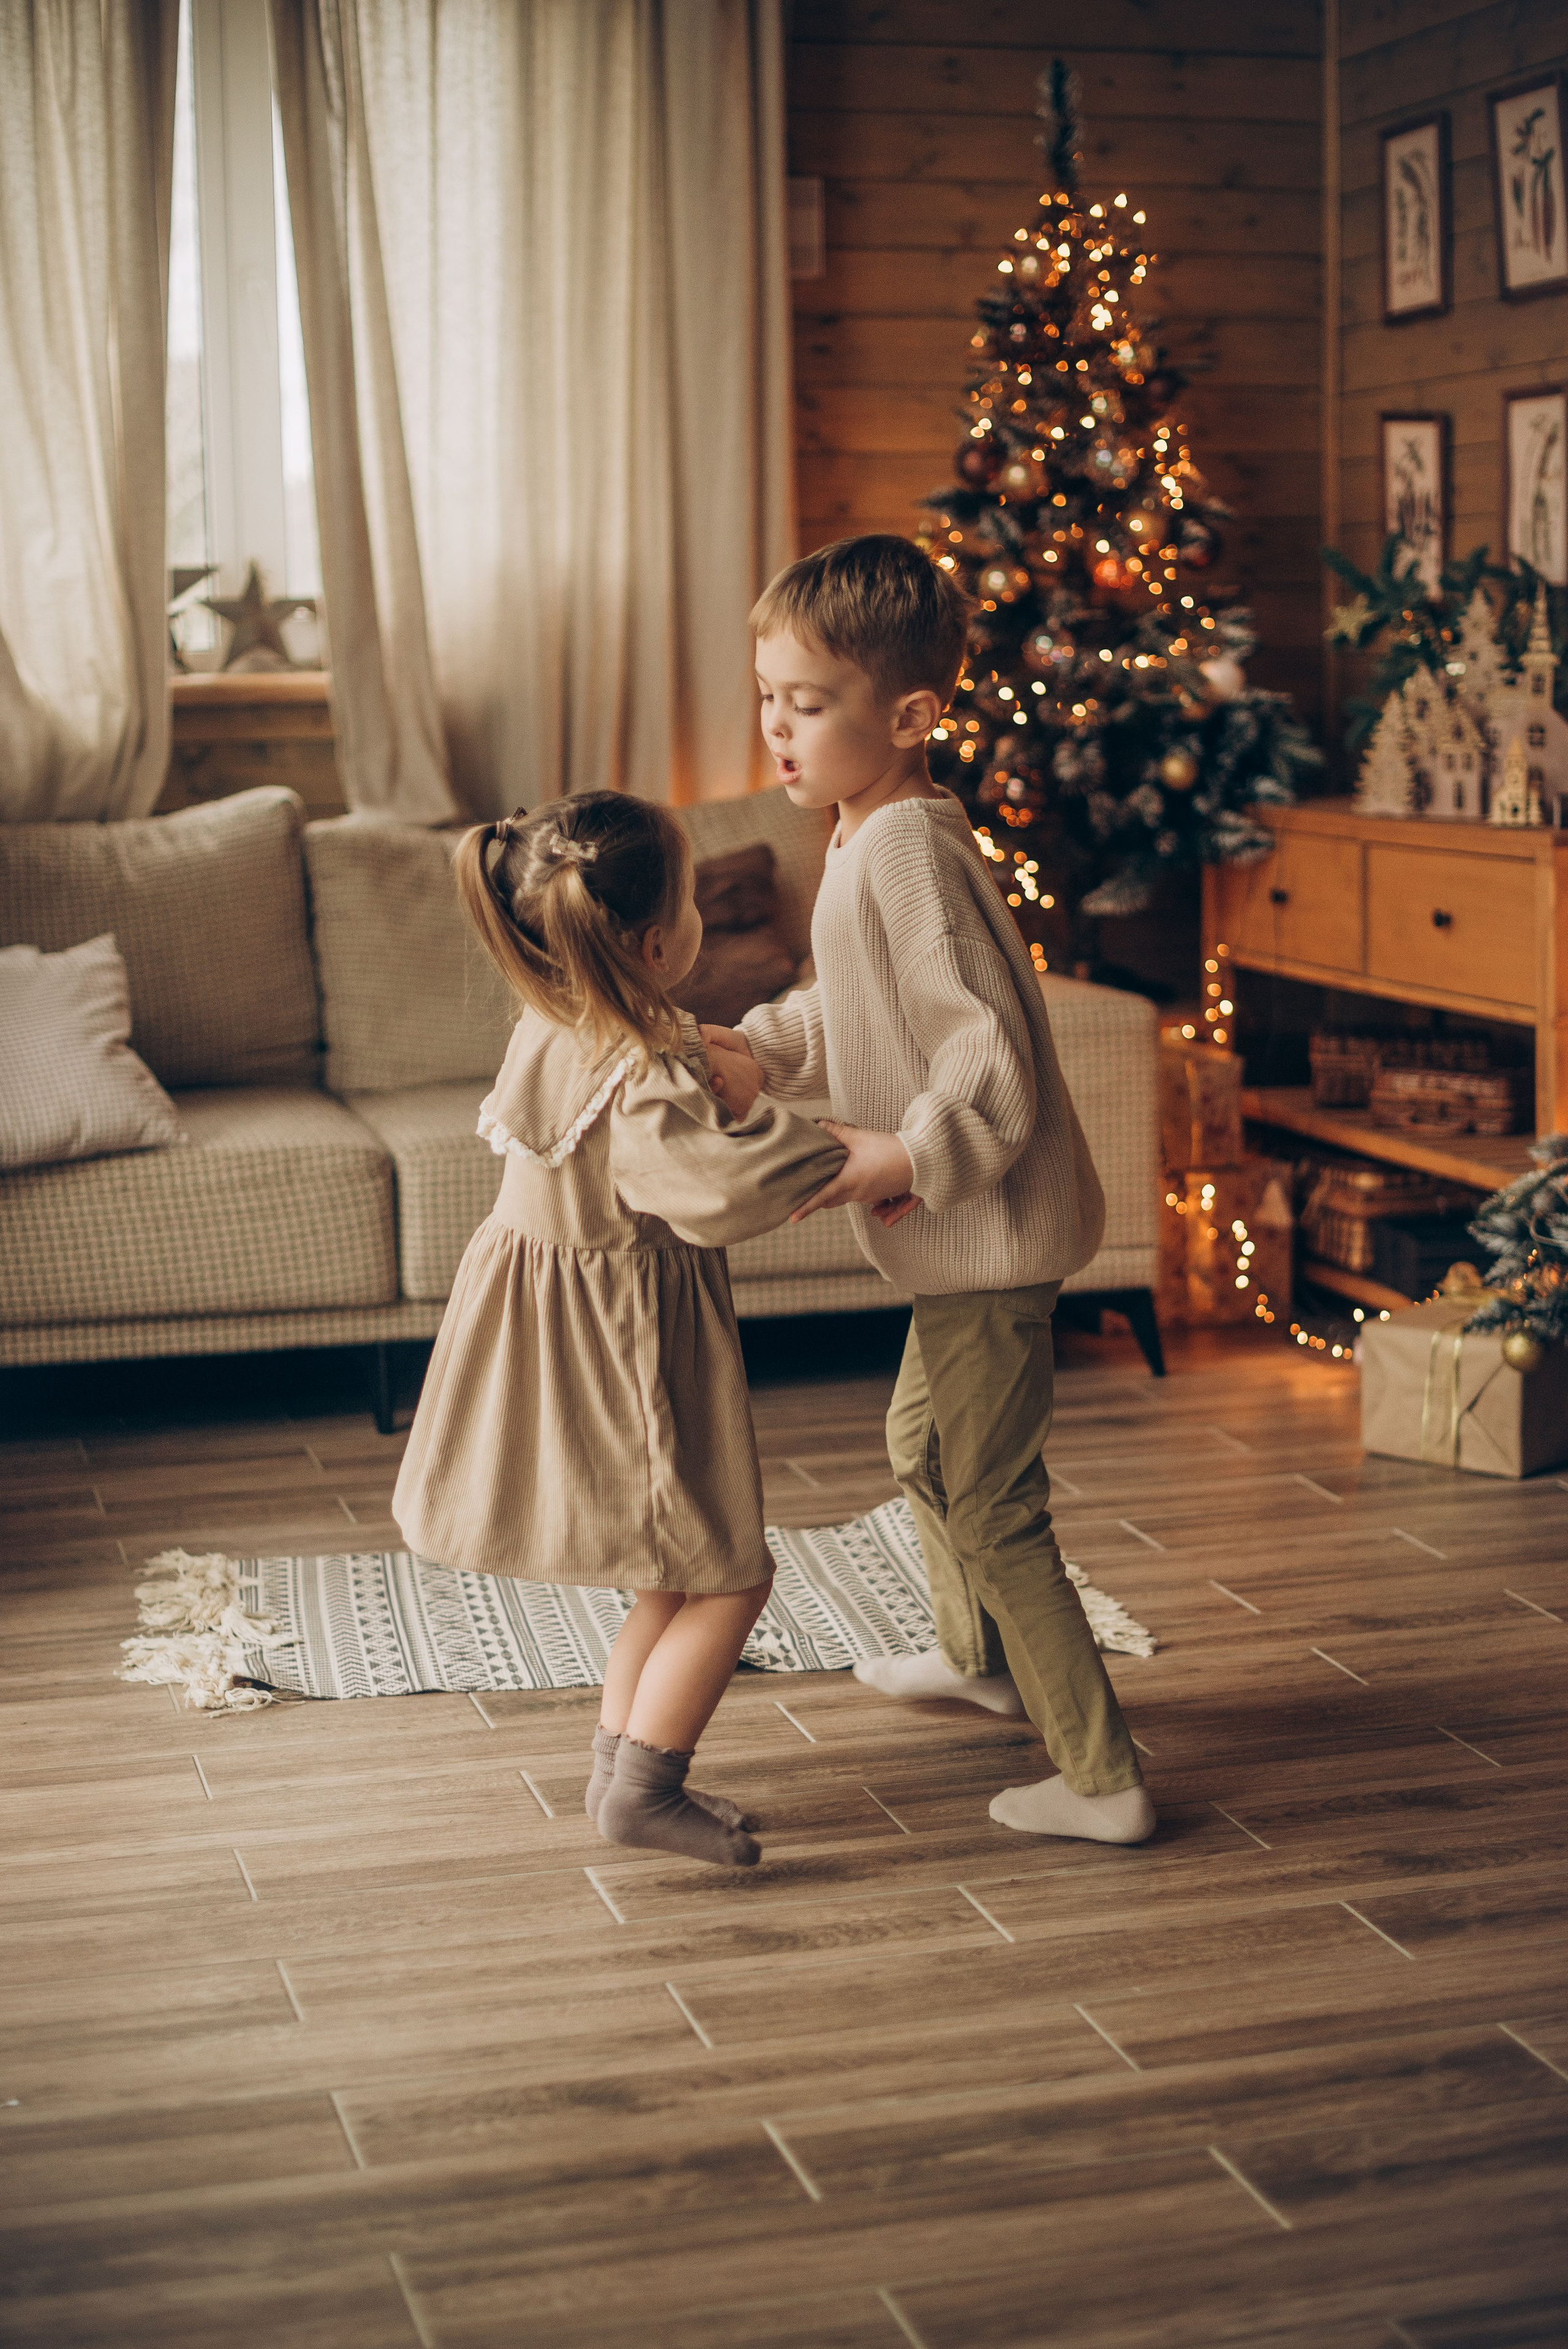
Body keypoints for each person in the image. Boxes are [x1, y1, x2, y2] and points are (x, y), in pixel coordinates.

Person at [703, 534, 1156, 1847]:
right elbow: (846, 1015)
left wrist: (896, 1155)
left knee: (993, 1500)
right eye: (767, 700)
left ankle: (1101, 1775)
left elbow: (986, 1059)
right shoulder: (857, 839)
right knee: (923, 1453)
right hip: (957, 1241)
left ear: (906, 716)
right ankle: (983, 1666)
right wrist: (753, 1050)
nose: (776, 731)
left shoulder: (905, 850)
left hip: (990, 1235)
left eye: (806, 704)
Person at [393, 791, 845, 1868]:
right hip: (631, 1348)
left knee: (667, 1573)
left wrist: (705, 1054)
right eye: (691, 898)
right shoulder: (644, 1074)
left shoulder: (560, 1019)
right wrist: (837, 1150)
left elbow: (651, 1081)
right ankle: (645, 1786)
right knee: (733, 1574)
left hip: (572, 1326)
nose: (697, 913)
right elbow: (713, 1188)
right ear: (655, 941)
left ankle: (622, 1764)